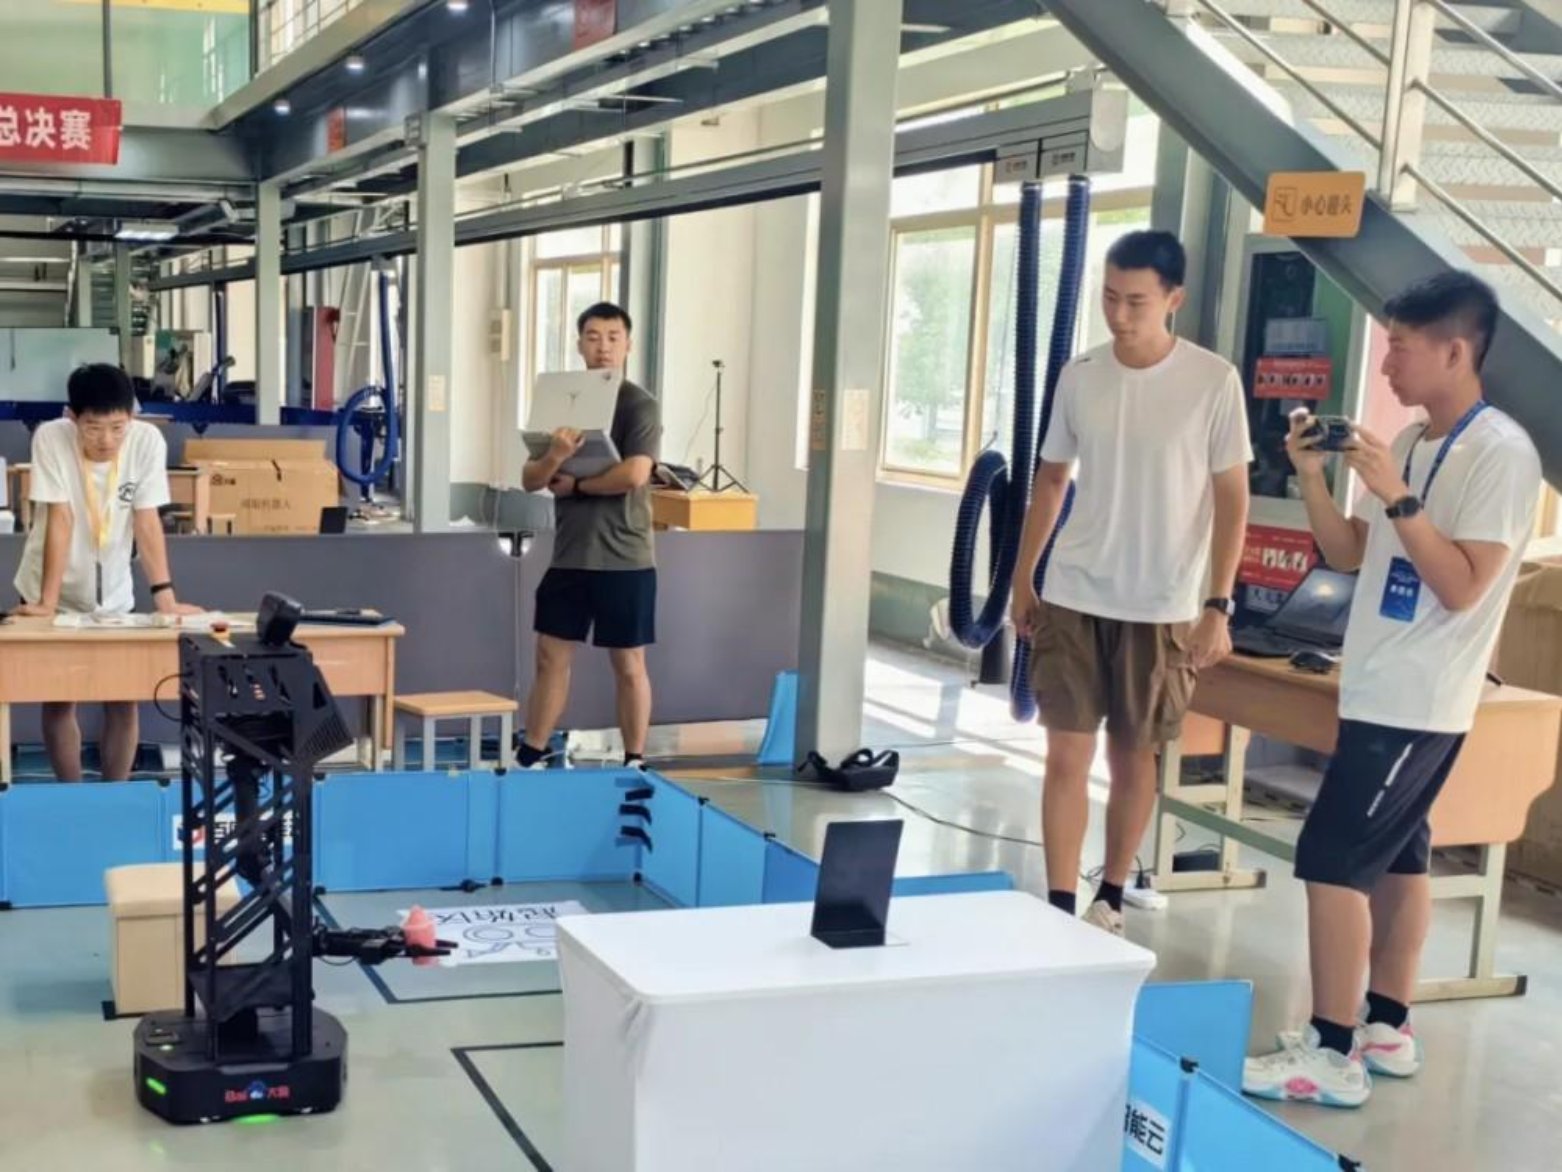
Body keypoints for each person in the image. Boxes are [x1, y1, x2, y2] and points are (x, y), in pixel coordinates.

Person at [1243, 272, 1541, 1108]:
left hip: (1420, 697)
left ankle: (1331, 1051)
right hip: (1377, 685)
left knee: (1330, 859)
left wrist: (1398, 496)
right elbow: (1350, 553)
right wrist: (1312, 477)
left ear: (1455, 351)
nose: (1386, 366)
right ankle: (1386, 1027)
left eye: (1400, 349)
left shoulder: (1502, 454)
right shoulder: (1410, 439)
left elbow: (1463, 585)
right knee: (1400, 860)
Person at [1010, 230, 1252, 936]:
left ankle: (1110, 896)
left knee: (1132, 753)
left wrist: (1218, 604)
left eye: (1136, 301)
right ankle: (1060, 906)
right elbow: (1051, 480)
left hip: (1163, 602)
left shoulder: (1212, 381)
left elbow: (1232, 498)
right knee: (1065, 750)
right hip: (1074, 590)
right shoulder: (1081, 374)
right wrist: (1023, 578)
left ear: (1173, 299)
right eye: (1110, 297)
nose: (1119, 314)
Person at [13, 364, 202, 782]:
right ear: (72, 417)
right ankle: (73, 793)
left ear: (131, 417)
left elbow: (146, 520)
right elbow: (60, 519)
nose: (107, 441)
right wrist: (46, 602)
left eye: (118, 428)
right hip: (52, 585)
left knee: (122, 697)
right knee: (60, 698)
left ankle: (116, 793)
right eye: (94, 428)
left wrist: (165, 597)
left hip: (113, 590)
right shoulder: (51, 438)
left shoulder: (146, 441)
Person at [518, 303, 662, 770]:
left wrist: (577, 486)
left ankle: (634, 759)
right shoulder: (561, 403)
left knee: (628, 662)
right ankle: (533, 751)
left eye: (613, 337)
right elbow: (531, 479)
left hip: (625, 555)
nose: (603, 347)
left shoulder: (639, 404)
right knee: (549, 656)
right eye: (594, 337)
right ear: (579, 343)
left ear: (628, 345)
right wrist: (556, 454)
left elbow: (635, 474)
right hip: (570, 554)